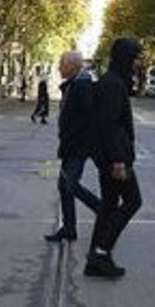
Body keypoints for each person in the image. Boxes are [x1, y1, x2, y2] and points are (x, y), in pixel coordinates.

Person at [86, 38, 144, 279]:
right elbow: (109, 125)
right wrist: (119, 161)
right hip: (115, 157)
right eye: (134, 58)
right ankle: (101, 252)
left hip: (108, 155)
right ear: (124, 58)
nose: (137, 63)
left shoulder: (112, 81)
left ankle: (95, 258)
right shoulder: (113, 85)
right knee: (132, 201)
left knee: (109, 205)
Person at [45, 51, 101, 243]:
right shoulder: (73, 84)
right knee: (63, 186)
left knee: (70, 185)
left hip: (77, 146)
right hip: (70, 145)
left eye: (62, 63)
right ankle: (69, 228)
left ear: (73, 66)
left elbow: (88, 119)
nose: (59, 67)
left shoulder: (82, 86)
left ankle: (103, 211)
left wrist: (74, 139)